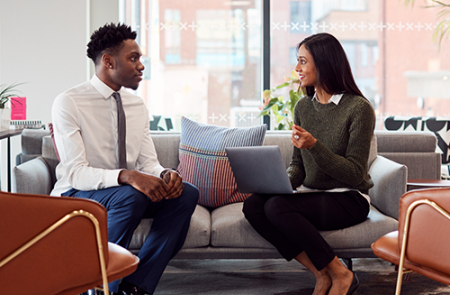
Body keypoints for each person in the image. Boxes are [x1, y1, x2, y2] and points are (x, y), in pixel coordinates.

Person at [51, 23, 199, 295]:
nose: (141, 65)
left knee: (186, 193)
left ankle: (135, 286)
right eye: (134, 58)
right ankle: (101, 286)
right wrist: (127, 176)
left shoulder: (136, 105)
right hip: (78, 193)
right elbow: (76, 173)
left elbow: (147, 163)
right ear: (108, 61)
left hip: (128, 195)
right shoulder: (69, 102)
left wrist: (165, 173)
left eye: (140, 58)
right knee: (131, 196)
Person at [243, 33, 375, 295]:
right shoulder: (303, 106)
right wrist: (276, 182)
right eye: (297, 61)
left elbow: (354, 173)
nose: (297, 69)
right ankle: (321, 272)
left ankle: (341, 273)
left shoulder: (359, 108)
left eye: (303, 61)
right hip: (314, 196)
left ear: (323, 63)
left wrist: (315, 146)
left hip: (349, 198)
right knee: (255, 205)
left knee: (278, 208)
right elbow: (298, 167)